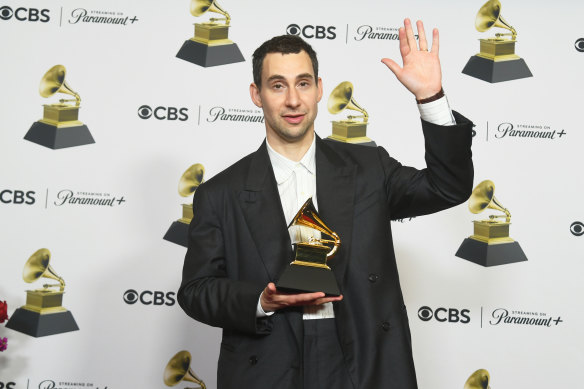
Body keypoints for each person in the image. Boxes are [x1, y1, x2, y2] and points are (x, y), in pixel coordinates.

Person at [178, 19, 474, 389]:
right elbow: (195, 291)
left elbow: (448, 187)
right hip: (269, 360)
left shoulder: (368, 169)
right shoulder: (220, 193)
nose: (292, 100)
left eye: (303, 83)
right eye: (277, 85)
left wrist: (430, 97)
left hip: (362, 360)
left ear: (319, 89)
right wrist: (261, 300)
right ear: (256, 94)